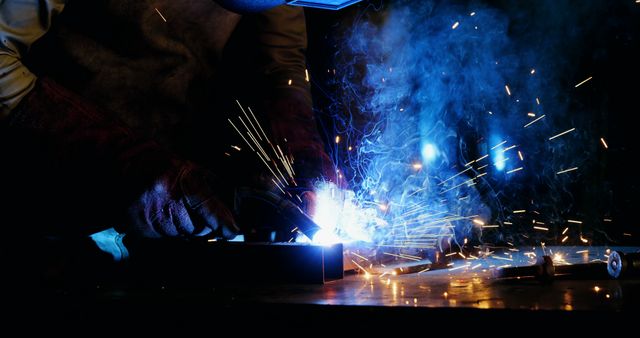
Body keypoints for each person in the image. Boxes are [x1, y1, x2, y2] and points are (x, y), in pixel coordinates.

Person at [0, 0, 342, 284]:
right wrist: (131, 164)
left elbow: (280, 62)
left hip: (170, 220)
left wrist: (300, 143)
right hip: (40, 206)